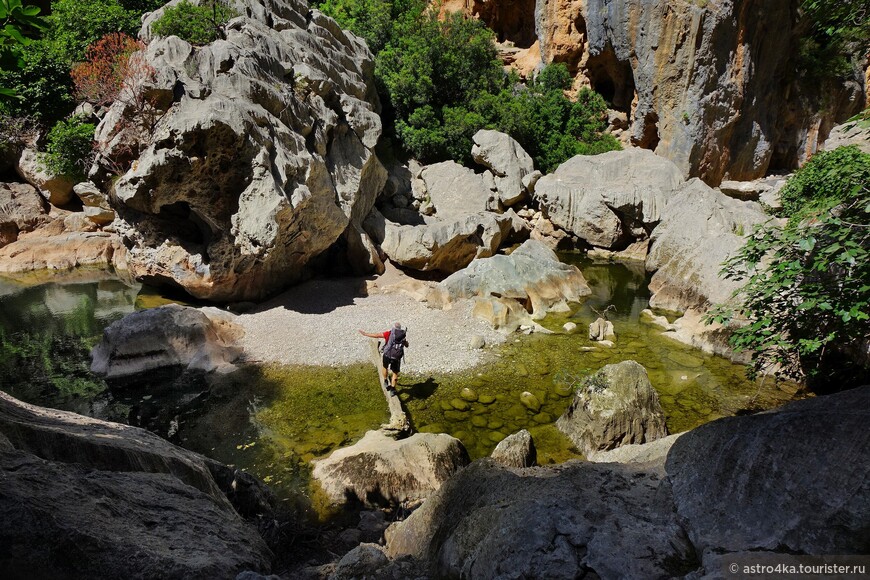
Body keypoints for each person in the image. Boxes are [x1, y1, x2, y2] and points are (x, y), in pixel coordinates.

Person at [358, 322, 408, 391]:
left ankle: (385, 380)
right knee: (395, 372)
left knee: (385, 367)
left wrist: (365, 334)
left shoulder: (388, 333)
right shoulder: (402, 336)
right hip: (396, 357)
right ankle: (393, 389)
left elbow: (377, 335)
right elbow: (406, 345)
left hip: (387, 354)